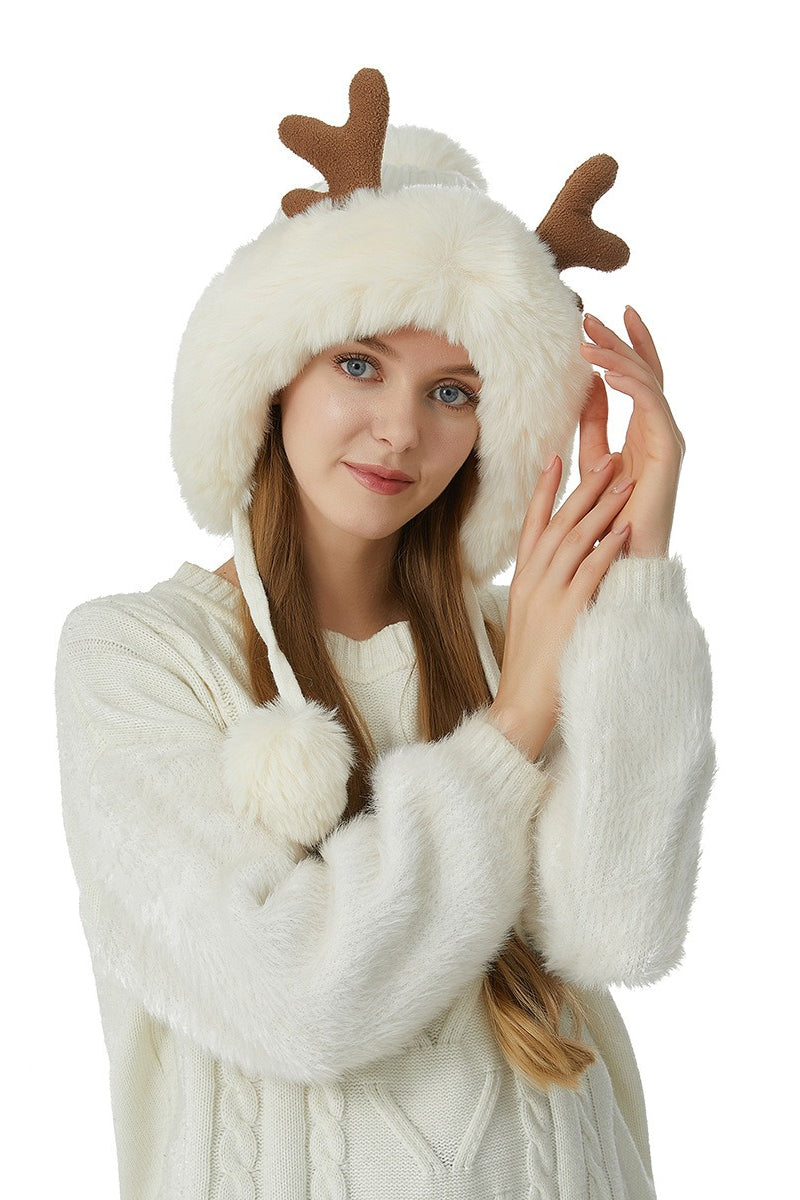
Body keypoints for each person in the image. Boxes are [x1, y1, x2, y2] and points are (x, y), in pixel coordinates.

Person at [55, 69, 714, 1200]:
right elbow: (292, 998)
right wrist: (515, 726)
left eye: (454, 391)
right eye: (359, 364)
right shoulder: (138, 656)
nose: (400, 431)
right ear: (274, 376)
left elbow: (621, 931)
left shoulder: (521, 632)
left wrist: (637, 578)